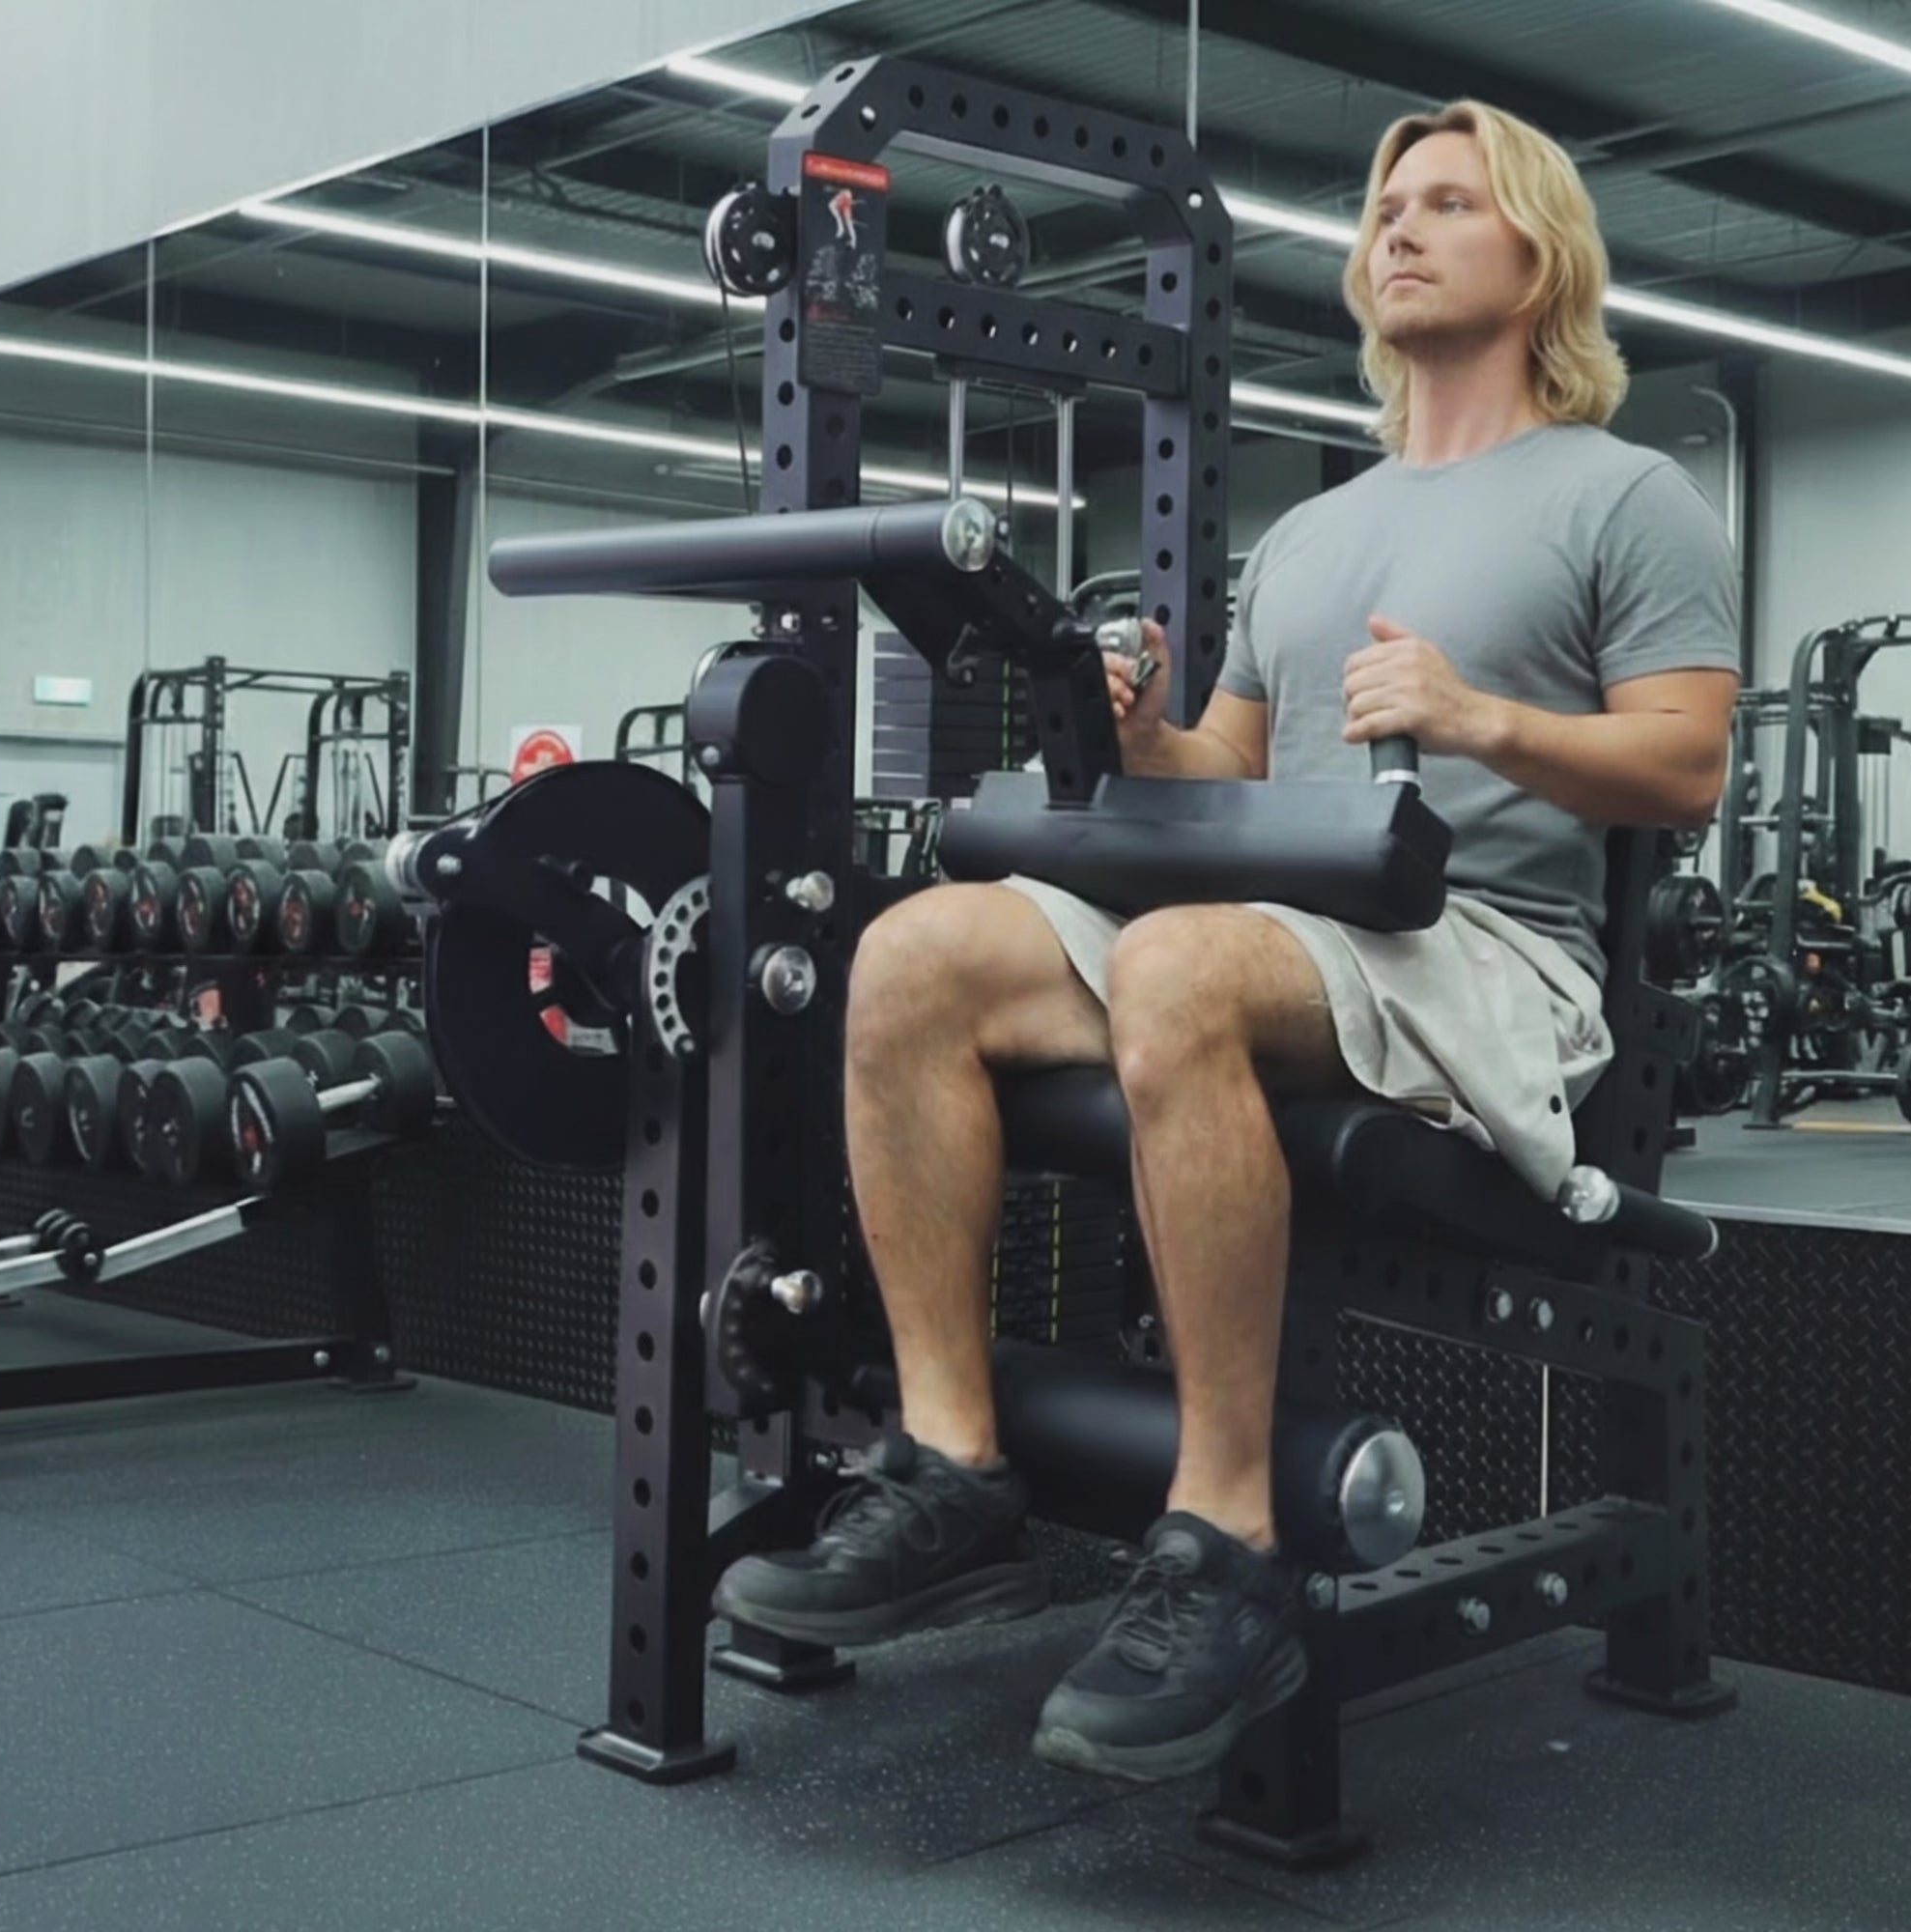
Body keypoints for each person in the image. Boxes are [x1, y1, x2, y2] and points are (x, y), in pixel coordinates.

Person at [713, 99, 1742, 1784]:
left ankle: (1228, 1542)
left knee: (1183, 964)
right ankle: (955, 1468)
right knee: (914, 951)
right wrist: (1136, 730)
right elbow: (1233, 779)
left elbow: (1688, 766)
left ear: (1541, 253)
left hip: (1487, 952)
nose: (1398, 228)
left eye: (1448, 204)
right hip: (1291, 928)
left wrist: (1476, 718)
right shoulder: (1316, 532)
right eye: (1387, 206)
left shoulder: (1630, 497)